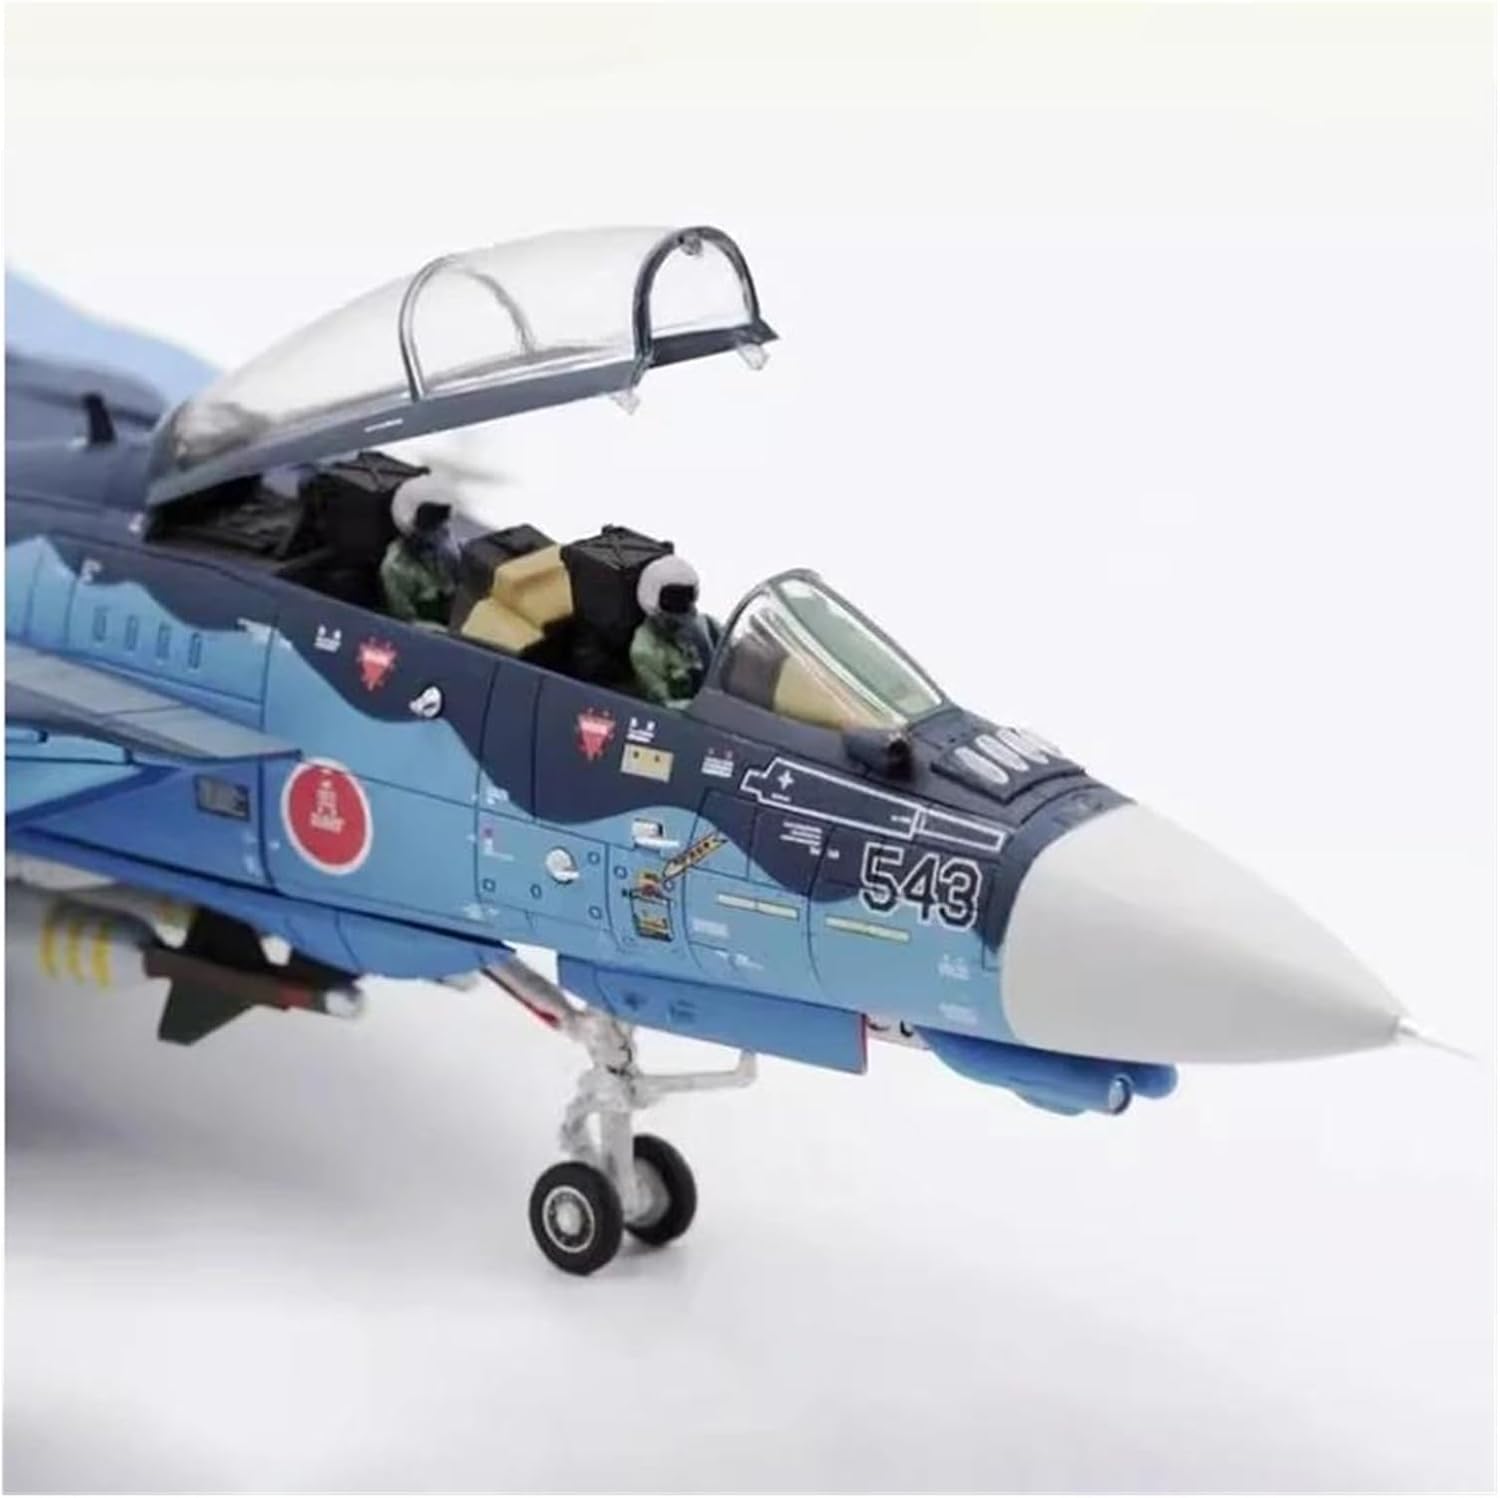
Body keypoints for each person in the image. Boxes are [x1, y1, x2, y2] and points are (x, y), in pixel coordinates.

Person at [630, 555, 718, 708]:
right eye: (673, 599)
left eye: (686, 597)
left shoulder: (708, 627)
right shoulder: (645, 650)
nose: (683, 609)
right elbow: (664, 704)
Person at [380, 472, 460, 626]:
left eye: (442, 519)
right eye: (433, 523)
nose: (442, 530)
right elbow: (406, 621)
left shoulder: (444, 545)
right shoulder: (396, 568)